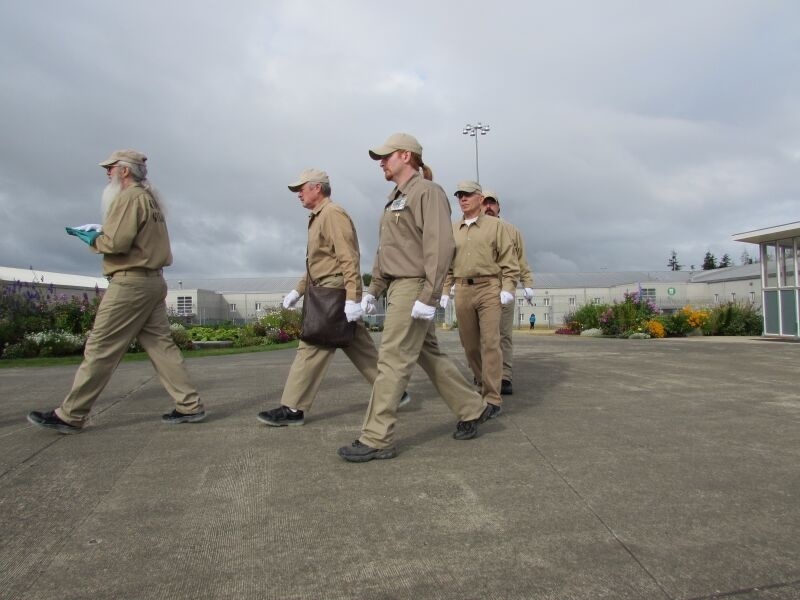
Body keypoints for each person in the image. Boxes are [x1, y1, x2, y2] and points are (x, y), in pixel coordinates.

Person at [337, 133, 492, 463]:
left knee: (391, 360)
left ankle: (377, 437)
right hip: (396, 287)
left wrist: (430, 293)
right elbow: (387, 249)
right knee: (428, 354)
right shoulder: (395, 196)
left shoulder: (427, 193)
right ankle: (472, 407)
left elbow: (440, 246)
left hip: (413, 287)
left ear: (406, 156)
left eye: (386, 156)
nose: (381, 161)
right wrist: (373, 290)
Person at [27, 149, 205, 433]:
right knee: (161, 347)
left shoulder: (129, 197)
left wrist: (93, 238)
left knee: (101, 347)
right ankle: (189, 405)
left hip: (130, 283)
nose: (107, 173)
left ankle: (71, 414)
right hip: (152, 280)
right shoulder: (150, 199)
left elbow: (118, 244)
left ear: (124, 171)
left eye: (110, 168)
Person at [256, 169, 409, 427]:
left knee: (311, 346)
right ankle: (394, 391)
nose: (299, 195)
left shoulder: (332, 214)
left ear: (317, 188)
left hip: (333, 294)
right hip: (327, 289)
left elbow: (348, 257)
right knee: (359, 347)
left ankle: (293, 409)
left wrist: (353, 296)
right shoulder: (319, 217)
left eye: (301, 189)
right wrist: (298, 290)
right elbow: (317, 263)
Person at [440, 181, 519, 416]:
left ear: (478, 198)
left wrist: (508, 287)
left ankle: (493, 398)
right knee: (470, 345)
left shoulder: (496, 227)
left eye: (466, 195)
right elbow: (448, 265)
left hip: (489, 288)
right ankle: (481, 381)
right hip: (463, 289)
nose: (462, 199)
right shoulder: (453, 229)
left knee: (491, 343)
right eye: (459, 196)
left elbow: (509, 260)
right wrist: (446, 291)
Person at [481, 189, 535, 395]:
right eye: (484, 203)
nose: (488, 207)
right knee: (481, 336)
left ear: (498, 206)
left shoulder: (512, 231)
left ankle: (504, 376)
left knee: (503, 334)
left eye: (492, 203)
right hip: (479, 288)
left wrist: (527, 283)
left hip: (505, 287)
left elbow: (521, 260)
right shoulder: (472, 229)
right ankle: (482, 374)